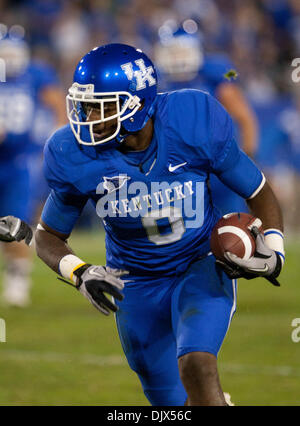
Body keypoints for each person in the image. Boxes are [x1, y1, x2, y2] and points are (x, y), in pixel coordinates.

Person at [35, 43, 284, 406]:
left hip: (199, 263)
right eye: (83, 104)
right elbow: (48, 235)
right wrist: (80, 272)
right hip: (132, 281)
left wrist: (275, 251)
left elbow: (258, 189)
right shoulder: (74, 153)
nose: (85, 116)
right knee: (172, 405)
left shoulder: (191, 120)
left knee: (197, 365)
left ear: (135, 105)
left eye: (98, 106)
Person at [154, 22, 259, 215]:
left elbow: (245, 119)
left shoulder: (215, 75)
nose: (177, 57)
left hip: (219, 167)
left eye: (181, 51)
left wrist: (248, 159)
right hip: (179, 173)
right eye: (172, 51)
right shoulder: (155, 82)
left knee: (235, 228)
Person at [0, 32, 66, 307]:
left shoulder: (35, 74)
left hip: (18, 160)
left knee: (14, 221)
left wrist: (55, 136)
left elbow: (57, 104)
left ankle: (18, 280)